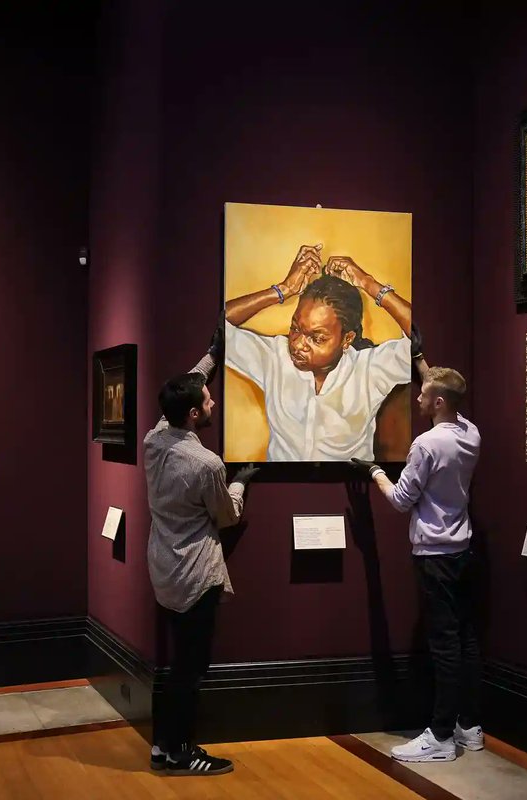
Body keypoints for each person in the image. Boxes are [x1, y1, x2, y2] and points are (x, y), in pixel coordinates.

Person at [352, 359, 483, 763]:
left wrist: (374, 471)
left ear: (438, 401)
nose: (418, 396)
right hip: (462, 548)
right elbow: (446, 387)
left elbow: (399, 500)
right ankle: (468, 725)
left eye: (424, 393)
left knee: (443, 644)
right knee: (465, 638)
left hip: (434, 555)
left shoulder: (426, 445)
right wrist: (425, 363)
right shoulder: (471, 433)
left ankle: (441, 737)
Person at [144, 325, 259, 776]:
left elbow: (187, 382)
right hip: (195, 575)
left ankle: (162, 745)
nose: (213, 403)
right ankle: (180, 752)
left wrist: (211, 354)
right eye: (208, 402)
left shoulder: (155, 440)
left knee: (175, 665)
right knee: (190, 670)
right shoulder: (206, 463)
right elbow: (226, 515)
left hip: (164, 569)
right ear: (193, 415)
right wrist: (240, 482)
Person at [224, 243, 413, 460]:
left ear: (347, 339)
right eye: (295, 328)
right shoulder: (274, 358)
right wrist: (282, 290)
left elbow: (418, 338)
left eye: (317, 338)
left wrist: (368, 283)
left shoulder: (371, 370)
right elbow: (219, 327)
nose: (297, 344)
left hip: (348, 485)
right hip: (281, 484)